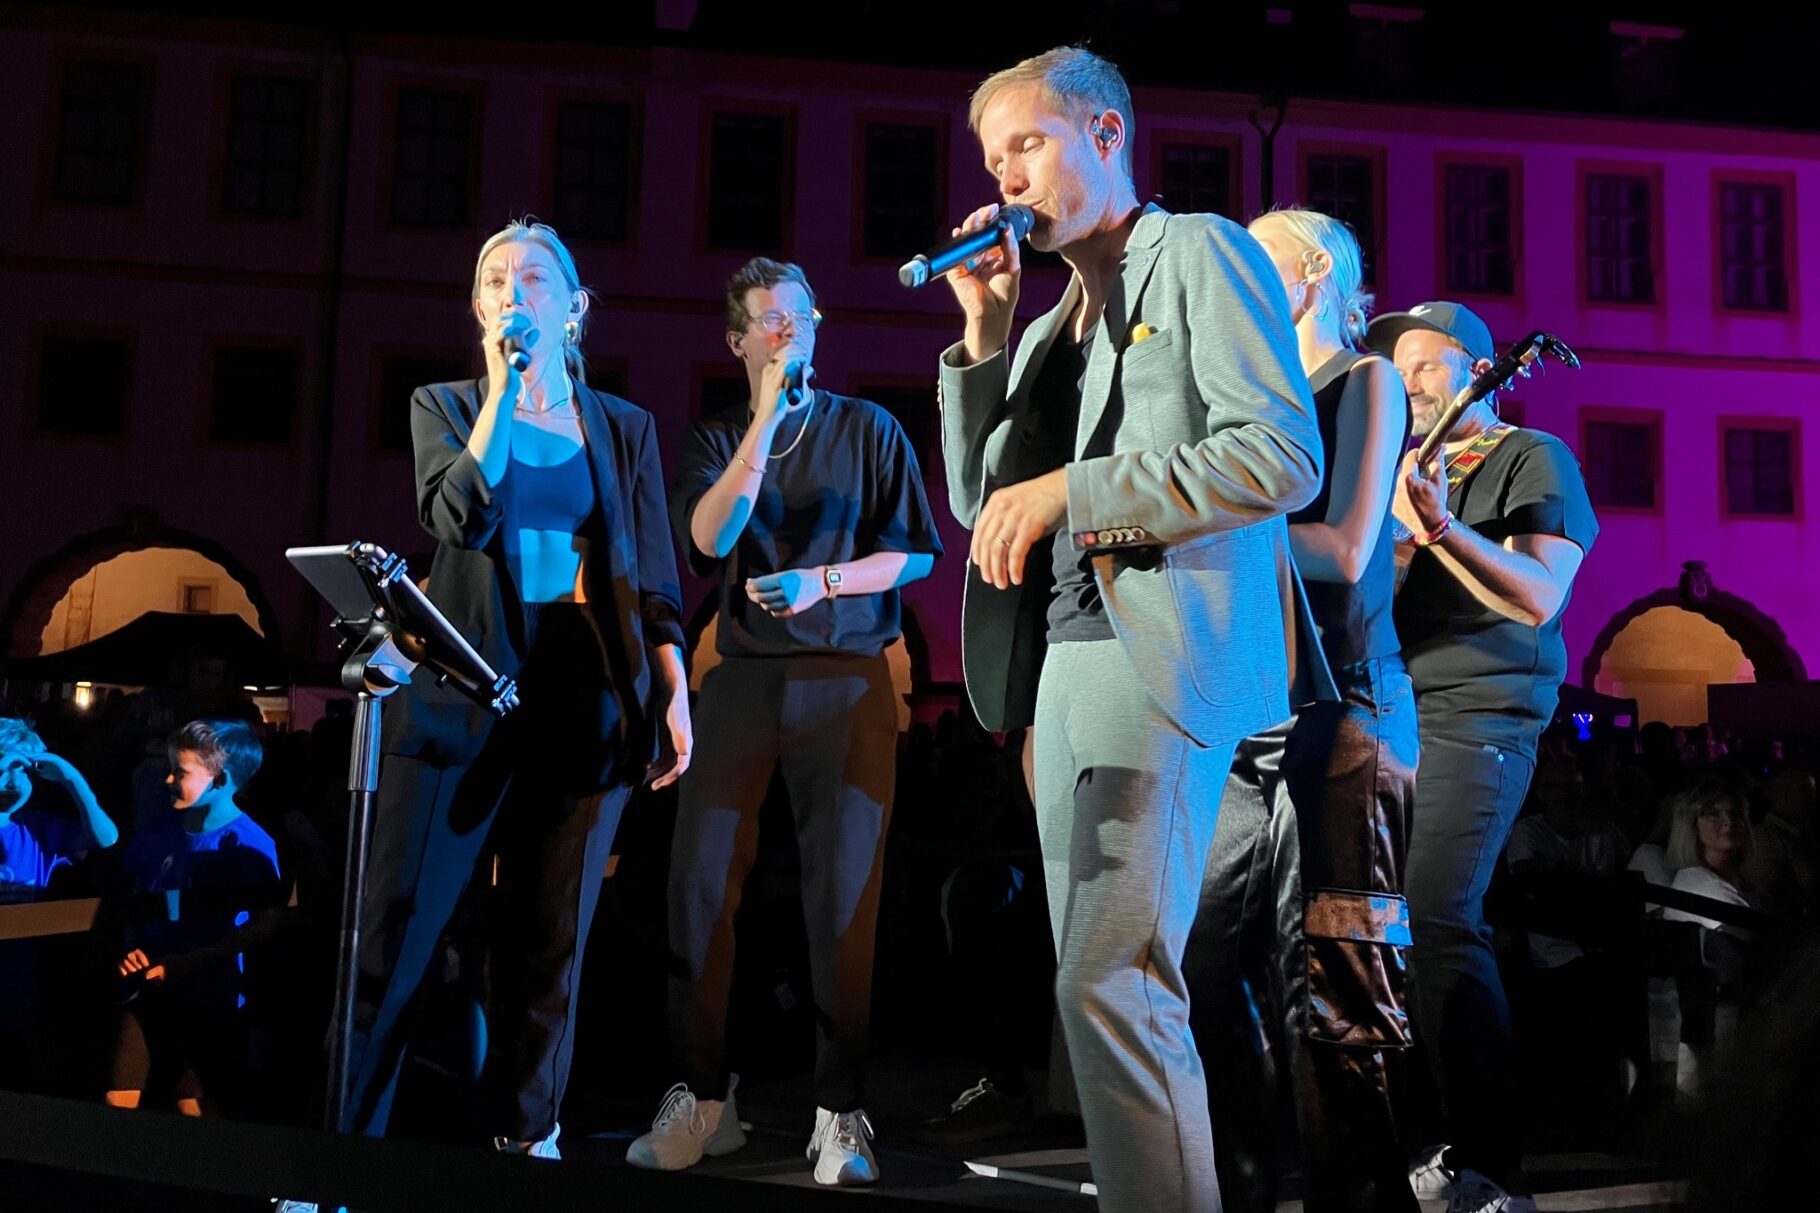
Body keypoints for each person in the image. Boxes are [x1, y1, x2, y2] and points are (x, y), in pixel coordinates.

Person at [937, 46, 1326, 1212]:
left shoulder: (1198, 250)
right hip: (1058, 659)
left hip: (1153, 650)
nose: (1006, 175)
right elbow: (980, 505)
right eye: (993, 155)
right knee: (1092, 989)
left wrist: (1078, 489)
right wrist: (985, 333)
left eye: (1028, 143)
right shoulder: (1059, 314)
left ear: (1105, 135)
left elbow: (1281, 453)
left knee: (1115, 981)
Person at [339, 220, 692, 1159]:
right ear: (480, 308)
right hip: (461, 685)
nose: (511, 290)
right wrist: (502, 390)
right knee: (396, 937)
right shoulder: (446, 404)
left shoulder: (623, 426)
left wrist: (674, 689)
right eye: (494, 279)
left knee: (546, 946)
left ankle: (524, 1138)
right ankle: (339, 1153)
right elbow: (456, 514)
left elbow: (653, 574)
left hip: (586, 687)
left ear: (572, 308)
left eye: (534, 277)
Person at [627, 257, 941, 1186]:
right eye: (767, 322)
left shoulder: (871, 428)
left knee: (843, 898)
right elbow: (708, 540)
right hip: (741, 679)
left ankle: (839, 1110)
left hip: (847, 677)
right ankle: (701, 1097)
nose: (786, 333)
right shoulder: (715, 434)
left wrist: (825, 580)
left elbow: (914, 554)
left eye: (797, 318)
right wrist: (766, 416)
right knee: (697, 884)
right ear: (738, 341)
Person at [1183, 206, 1418, 1213]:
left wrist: (1200, 527)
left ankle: (1353, 1190)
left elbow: (1345, 549)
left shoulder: (1363, 382)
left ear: (1313, 272)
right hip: (1253, 714)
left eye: (1254, 259)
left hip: (1349, 716)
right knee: (1197, 955)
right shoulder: (1256, 409)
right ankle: (1241, 1174)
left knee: (1333, 972)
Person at [1368, 301, 1597, 1213]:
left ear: (1480, 368)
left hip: (1482, 708)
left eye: (1428, 363)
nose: (1410, 380)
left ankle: (1492, 1159)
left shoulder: (1529, 457)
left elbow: (1540, 594)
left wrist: (1439, 530)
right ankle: (1420, 1134)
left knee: (1439, 912)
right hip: (1393, 706)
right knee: (1383, 927)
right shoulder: (1397, 465)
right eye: (1401, 365)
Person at [105, 718, 281, 1115]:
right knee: (120, 1093)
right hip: (148, 986)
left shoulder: (249, 843)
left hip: (211, 997)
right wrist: (133, 947)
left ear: (220, 780)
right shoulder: (158, 830)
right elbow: (136, 896)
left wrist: (189, 963)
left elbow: (264, 923)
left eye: (180, 772)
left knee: (194, 1100)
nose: (168, 779)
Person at [0, 715, 119, 894]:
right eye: (4, 772)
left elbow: (105, 838)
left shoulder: (38, 829)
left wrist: (71, 777)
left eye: (24, 771)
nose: (14, 783)